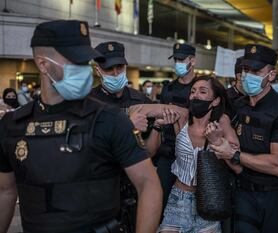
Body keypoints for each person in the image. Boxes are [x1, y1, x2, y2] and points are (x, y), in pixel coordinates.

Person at [0, 20, 162, 233]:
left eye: (85, 62)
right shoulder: (13, 126)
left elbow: (148, 184)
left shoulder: (110, 120)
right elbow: (5, 192)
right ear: (43, 64)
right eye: (74, 61)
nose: (83, 70)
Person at [211, 44, 278, 233]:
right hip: (242, 192)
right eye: (245, 70)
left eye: (256, 71)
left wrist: (234, 154)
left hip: (273, 196)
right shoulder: (237, 106)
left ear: (272, 75)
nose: (248, 75)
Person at [89, 41, 166, 232]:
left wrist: (157, 126)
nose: (115, 74)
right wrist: (128, 125)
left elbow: (150, 150)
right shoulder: (88, 102)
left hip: (135, 187)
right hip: (100, 188)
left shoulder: (140, 100)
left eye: (119, 67)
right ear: (98, 70)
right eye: (109, 69)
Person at [158, 76, 240, 232]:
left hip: (209, 201)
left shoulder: (222, 122)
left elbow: (238, 167)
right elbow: (151, 110)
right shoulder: (182, 117)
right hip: (178, 199)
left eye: (202, 91)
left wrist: (217, 142)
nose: (195, 95)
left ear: (215, 101)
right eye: (193, 91)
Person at [156, 43, 197, 210]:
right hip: (167, 153)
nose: (178, 63)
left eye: (182, 59)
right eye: (176, 59)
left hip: (190, 155)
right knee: (161, 199)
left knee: (188, 205)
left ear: (192, 61)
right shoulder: (169, 88)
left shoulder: (200, 88)